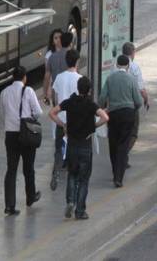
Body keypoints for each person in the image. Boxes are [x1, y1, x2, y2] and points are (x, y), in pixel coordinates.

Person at [49, 77, 108, 220]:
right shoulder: (91, 105)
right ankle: (80, 211)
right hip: (85, 146)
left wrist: (63, 124)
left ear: (78, 87)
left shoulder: (69, 102)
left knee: (72, 175)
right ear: (89, 90)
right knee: (83, 179)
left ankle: (70, 201)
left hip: (72, 145)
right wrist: (93, 127)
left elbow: (51, 113)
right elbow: (105, 117)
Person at [0, 66, 42, 216]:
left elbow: (3, 113)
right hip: (26, 133)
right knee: (28, 167)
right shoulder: (29, 91)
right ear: (24, 77)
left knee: (11, 169)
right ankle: (30, 197)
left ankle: (9, 206)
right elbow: (38, 112)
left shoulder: (4, 93)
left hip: (10, 134)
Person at [99, 55, 143, 188]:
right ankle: (119, 177)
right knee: (123, 145)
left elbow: (102, 98)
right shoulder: (131, 79)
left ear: (117, 65)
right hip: (128, 114)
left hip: (113, 114)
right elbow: (138, 101)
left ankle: (114, 172)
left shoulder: (110, 78)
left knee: (113, 143)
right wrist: (133, 109)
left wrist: (103, 109)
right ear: (128, 66)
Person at [49, 49, 82, 191]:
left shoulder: (59, 78)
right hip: (74, 122)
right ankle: (70, 173)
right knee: (73, 149)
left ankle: (56, 169)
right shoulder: (80, 79)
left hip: (61, 120)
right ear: (77, 61)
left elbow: (56, 99)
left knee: (59, 147)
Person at [121, 42, 149, 166]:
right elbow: (141, 89)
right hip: (131, 106)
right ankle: (123, 153)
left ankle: (121, 154)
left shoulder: (114, 66)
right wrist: (146, 99)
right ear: (133, 53)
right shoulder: (134, 67)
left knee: (120, 132)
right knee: (133, 132)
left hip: (117, 105)